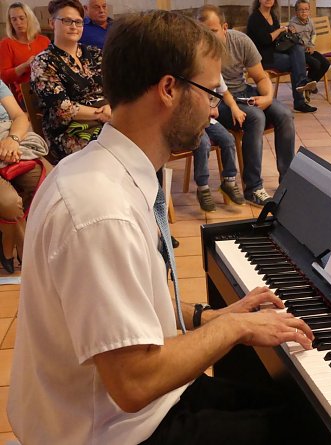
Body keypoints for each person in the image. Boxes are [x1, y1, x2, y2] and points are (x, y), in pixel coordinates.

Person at [8, 9, 313, 445]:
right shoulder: (101, 210)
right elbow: (134, 384)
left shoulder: (103, 169)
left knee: (291, 407)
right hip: (108, 430)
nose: (213, 107)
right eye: (209, 92)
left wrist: (210, 315)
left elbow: (131, 305)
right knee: (305, 430)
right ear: (169, 89)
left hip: (129, 410)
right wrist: (234, 329)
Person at [198, 5, 296, 207]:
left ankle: (288, 181)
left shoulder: (240, 41)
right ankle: (253, 188)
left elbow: (261, 77)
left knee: (285, 114)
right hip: (217, 101)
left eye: (213, 31)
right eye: (203, 32)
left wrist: (268, 97)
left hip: (243, 92)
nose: (208, 37)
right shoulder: (197, 49)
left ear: (224, 27)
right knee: (255, 117)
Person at [30, 0, 109, 164]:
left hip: (108, 119)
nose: (74, 26)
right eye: (67, 21)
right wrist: (101, 113)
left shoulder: (94, 53)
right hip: (68, 131)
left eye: (78, 21)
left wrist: (112, 107)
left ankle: (150, 190)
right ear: (52, 23)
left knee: (143, 141)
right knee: (110, 153)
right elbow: (62, 108)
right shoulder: (43, 61)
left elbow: (116, 86)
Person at [0, 79, 47, 274]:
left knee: (49, 186)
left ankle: (11, 244)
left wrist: (12, 140)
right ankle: (31, 262)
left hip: (10, 142)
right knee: (9, 203)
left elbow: (19, 116)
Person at [247, 0, 317, 113]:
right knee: (297, 62)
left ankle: (302, 87)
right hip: (262, 57)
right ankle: (300, 98)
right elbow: (265, 40)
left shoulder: (272, 15)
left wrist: (287, 30)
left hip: (274, 52)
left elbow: (276, 38)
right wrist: (280, 29)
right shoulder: (255, 18)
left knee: (297, 47)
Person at [193, 75, 245, 212]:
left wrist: (234, 107)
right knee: (203, 143)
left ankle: (229, 182)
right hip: (190, 120)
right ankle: (203, 188)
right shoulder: (188, 68)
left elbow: (225, 93)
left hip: (209, 119)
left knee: (228, 140)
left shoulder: (215, 71)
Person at [0, 2, 50, 107]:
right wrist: (25, 66)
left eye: (22, 18)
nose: (18, 23)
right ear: (10, 22)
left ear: (29, 18)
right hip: (26, 93)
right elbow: (4, 77)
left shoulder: (44, 40)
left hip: (49, 86)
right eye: (14, 19)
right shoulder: (6, 44)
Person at [289, 0, 330, 97]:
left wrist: (311, 45)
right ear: (296, 12)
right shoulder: (292, 24)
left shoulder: (310, 21)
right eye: (301, 10)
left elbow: (314, 34)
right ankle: (308, 85)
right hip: (299, 53)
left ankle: (309, 84)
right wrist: (304, 46)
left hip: (309, 49)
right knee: (316, 64)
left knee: (325, 63)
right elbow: (293, 40)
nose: (304, 12)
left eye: (306, 10)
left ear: (309, 11)